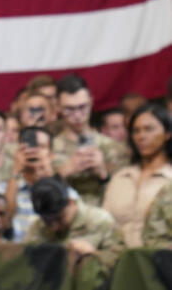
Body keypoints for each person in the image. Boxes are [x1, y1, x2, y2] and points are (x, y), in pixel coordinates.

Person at [101, 101, 172, 247]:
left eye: (149, 129)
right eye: (136, 131)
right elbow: (104, 224)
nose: (141, 136)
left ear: (167, 134)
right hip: (117, 262)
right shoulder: (120, 177)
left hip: (159, 263)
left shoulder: (169, 177)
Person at [51, 74, 126, 206]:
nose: (77, 115)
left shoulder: (113, 148)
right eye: (69, 109)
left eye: (82, 107)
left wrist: (104, 175)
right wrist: (63, 173)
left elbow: (125, 199)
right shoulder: (48, 148)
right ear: (57, 106)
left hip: (104, 219)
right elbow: (40, 195)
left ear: (91, 101)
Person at [26, 177, 123, 271]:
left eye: (59, 219)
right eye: (47, 221)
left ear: (70, 203)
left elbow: (121, 263)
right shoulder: (38, 227)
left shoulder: (100, 220)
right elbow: (25, 263)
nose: (54, 227)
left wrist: (93, 254)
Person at [3, 125, 58, 243]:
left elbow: (60, 219)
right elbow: (4, 220)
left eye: (41, 147)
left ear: (51, 155)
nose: (33, 151)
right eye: (29, 146)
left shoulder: (66, 191)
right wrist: (16, 171)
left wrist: (46, 172)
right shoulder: (5, 188)